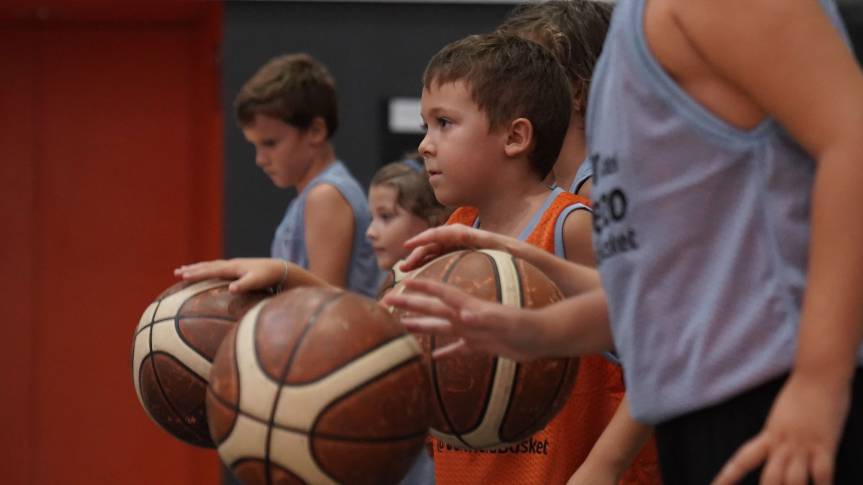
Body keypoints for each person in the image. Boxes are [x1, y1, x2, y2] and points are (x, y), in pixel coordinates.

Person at [384, 0, 863, 483]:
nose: (428, 142)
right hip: (703, 407)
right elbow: (670, 297)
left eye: (443, 123)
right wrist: (528, 329)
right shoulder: (632, 40)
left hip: (771, 396)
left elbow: (853, 139)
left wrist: (819, 382)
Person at [405, 32, 657, 485]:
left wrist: (604, 466)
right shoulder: (455, 232)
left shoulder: (571, 226)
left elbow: (659, 349)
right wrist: (295, 282)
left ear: (516, 137)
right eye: (426, 126)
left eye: (444, 123)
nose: (425, 144)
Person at [234, 52, 380, 297]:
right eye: (255, 145)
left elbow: (324, 306)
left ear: (315, 131)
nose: (260, 159)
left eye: (270, 143)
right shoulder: (312, 196)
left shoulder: (326, 196)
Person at [498, 0, 613, 197]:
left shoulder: (597, 193)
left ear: (576, 91)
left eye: (522, 72)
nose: (500, 86)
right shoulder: (546, 183)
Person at [367, 157, 451, 294]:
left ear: (431, 219)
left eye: (385, 216)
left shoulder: (446, 283)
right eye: (371, 217)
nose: (370, 232)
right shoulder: (386, 279)